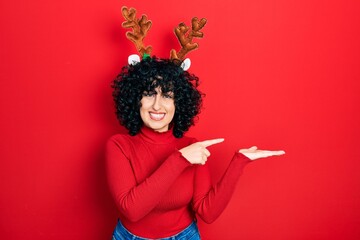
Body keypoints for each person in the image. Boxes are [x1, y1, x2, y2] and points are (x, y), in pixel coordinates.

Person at [106, 57, 285, 240]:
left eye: (167, 96)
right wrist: (179, 160)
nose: (157, 105)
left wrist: (239, 162)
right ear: (136, 100)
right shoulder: (119, 145)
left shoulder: (192, 147)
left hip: (185, 236)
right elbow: (132, 210)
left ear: (179, 103)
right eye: (149, 94)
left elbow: (207, 213)